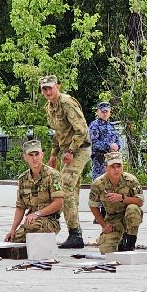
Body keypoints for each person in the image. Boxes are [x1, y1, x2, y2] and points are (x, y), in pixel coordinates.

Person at [39, 74, 91, 248]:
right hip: (66, 151)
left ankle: (75, 233)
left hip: (79, 149)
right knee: (72, 191)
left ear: (57, 87)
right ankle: (75, 234)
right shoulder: (50, 107)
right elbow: (57, 133)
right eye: (44, 89)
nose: (47, 91)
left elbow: (82, 130)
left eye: (50, 88)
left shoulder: (67, 102)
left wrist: (70, 151)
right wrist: (54, 154)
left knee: (64, 189)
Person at [6, 141, 65, 244]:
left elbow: (59, 203)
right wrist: (12, 230)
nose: (34, 158)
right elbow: (20, 207)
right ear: (25, 157)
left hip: (50, 221)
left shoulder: (53, 175)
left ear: (42, 154)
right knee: (14, 240)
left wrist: (37, 214)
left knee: (33, 230)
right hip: (31, 223)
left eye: (37, 154)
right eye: (31, 155)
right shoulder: (23, 179)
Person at [89, 155, 144, 253]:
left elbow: (140, 202)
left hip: (128, 216)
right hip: (112, 218)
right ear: (106, 168)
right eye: (112, 167)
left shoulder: (131, 180)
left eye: (119, 166)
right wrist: (104, 225)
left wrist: (122, 198)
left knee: (133, 209)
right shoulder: (98, 184)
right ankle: (118, 240)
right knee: (106, 251)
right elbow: (93, 206)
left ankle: (130, 242)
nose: (116, 169)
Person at [88, 101, 119, 182]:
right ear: (98, 112)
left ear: (110, 112)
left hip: (112, 162)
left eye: (106, 111)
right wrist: (109, 146)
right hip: (100, 162)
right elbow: (94, 144)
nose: (105, 113)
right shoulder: (94, 125)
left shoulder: (111, 126)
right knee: (99, 188)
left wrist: (117, 147)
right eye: (102, 111)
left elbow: (117, 141)